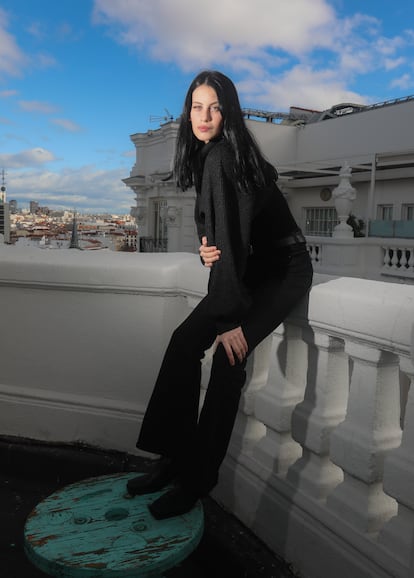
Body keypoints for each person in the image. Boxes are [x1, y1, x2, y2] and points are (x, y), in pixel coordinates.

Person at [127, 70, 313, 519]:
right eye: (196, 106)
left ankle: (196, 480)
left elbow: (232, 238)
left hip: (283, 270)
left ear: (228, 110)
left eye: (214, 106)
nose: (204, 116)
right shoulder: (214, 155)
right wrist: (206, 244)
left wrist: (230, 319)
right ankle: (172, 459)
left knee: (230, 361)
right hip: (250, 267)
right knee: (183, 343)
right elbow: (224, 230)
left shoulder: (224, 157)